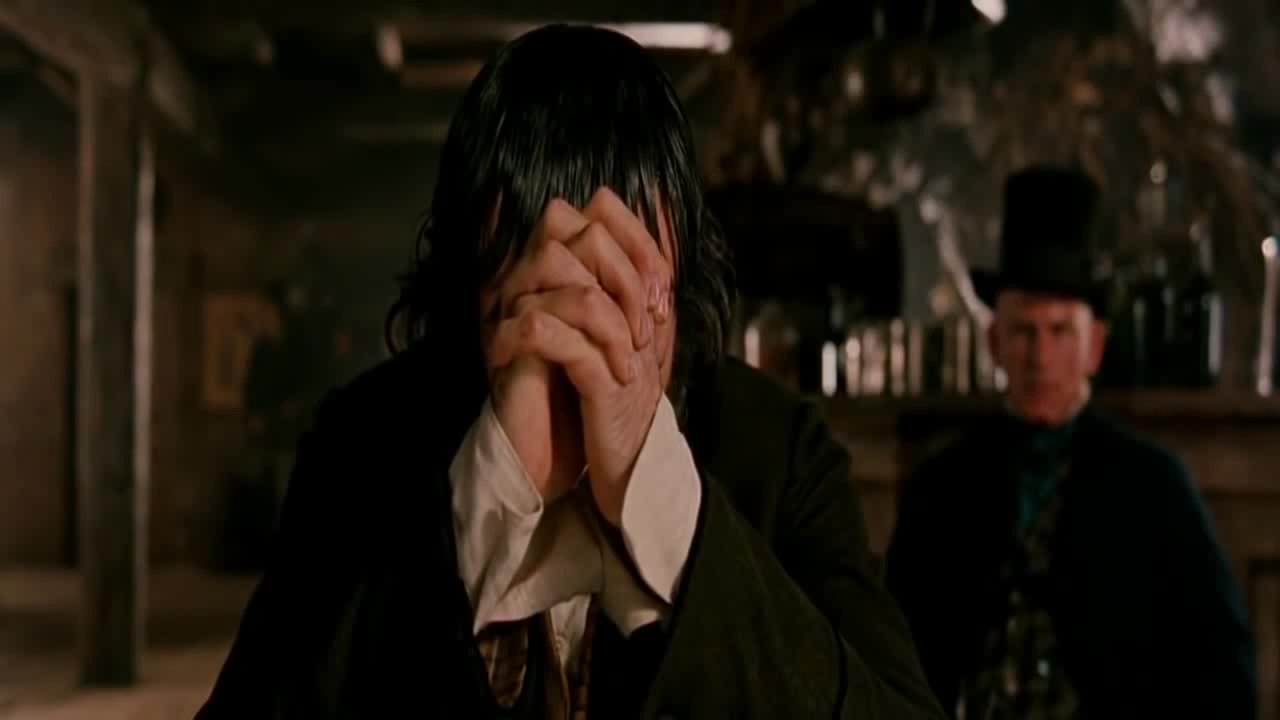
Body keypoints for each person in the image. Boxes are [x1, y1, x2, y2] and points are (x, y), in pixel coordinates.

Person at [196, 24, 942, 720]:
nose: (583, 340)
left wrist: (663, 507)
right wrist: (491, 496)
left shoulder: (776, 449)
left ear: (676, 283)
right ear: (475, 295)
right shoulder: (366, 438)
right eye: (540, 298)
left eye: (620, 290)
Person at [885, 167, 1257, 719]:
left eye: (1060, 332)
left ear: (1094, 347)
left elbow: (1224, 666)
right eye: (1023, 332)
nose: (1040, 356)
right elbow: (889, 653)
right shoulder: (941, 488)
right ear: (995, 343)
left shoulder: (1153, 486)